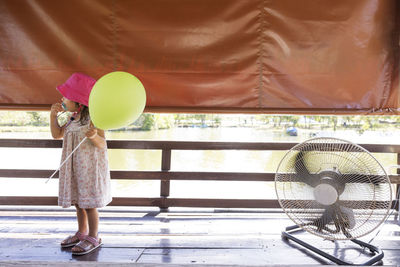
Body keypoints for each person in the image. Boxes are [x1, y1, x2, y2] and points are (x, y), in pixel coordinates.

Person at [50, 73, 112, 255]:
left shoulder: (94, 119)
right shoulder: (70, 117)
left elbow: (102, 144)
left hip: (89, 168)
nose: (62, 98)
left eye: (66, 96)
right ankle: (81, 232)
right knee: (78, 202)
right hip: (74, 167)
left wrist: (94, 136)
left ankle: (94, 236)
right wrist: (52, 116)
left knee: (89, 203)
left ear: (79, 102)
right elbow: (57, 134)